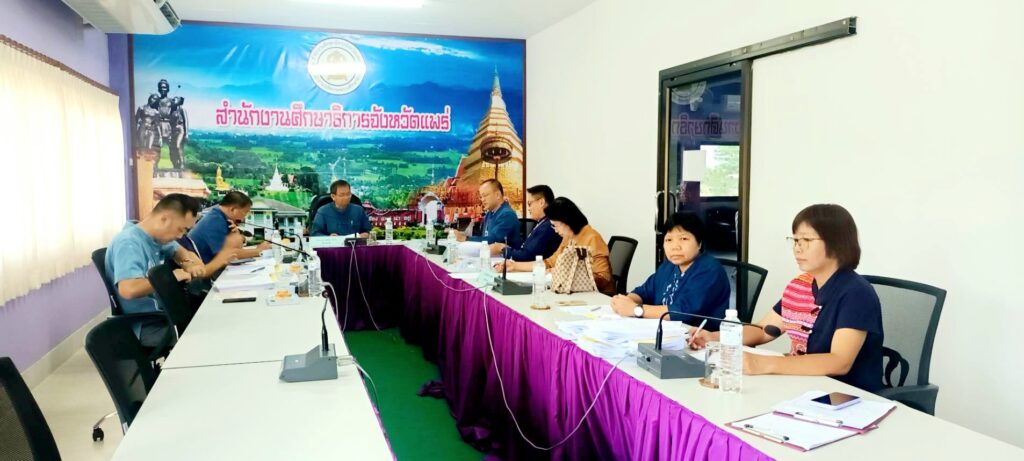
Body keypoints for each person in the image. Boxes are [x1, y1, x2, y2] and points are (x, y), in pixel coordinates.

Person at [690, 204, 884, 392]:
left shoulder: (856, 293)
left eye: (806, 240)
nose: (797, 248)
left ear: (836, 243)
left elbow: (839, 362)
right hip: (804, 386)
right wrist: (713, 337)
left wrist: (761, 363)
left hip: (848, 396)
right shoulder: (801, 285)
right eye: (795, 240)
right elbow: (763, 330)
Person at [105, 193, 207, 346]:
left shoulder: (155, 237)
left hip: (165, 314)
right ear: (164, 219)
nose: (180, 236)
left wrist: (188, 263)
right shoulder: (129, 243)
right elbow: (128, 290)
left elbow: (179, 251)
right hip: (145, 325)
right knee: (207, 336)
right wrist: (171, 277)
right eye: (180, 229)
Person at [610, 212, 730, 330]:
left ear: (699, 244)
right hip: (664, 332)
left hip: (697, 338)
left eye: (683, 238)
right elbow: (643, 292)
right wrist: (624, 302)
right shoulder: (668, 266)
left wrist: (636, 310)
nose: (675, 247)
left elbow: (682, 312)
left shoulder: (709, 270)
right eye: (668, 240)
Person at [496, 197, 614, 296]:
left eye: (556, 226)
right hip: (570, 292)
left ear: (567, 221)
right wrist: (515, 266)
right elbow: (550, 262)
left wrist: (565, 274)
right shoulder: (569, 236)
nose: (555, 231)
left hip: (596, 297)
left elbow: (603, 279)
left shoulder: (592, 238)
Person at [186, 191, 271, 272]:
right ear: (233, 209)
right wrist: (259, 251)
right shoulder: (216, 221)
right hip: (202, 273)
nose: (243, 218)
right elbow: (228, 255)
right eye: (244, 213)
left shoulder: (220, 217)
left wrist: (236, 233)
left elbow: (236, 249)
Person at [489, 184, 561, 261]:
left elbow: (527, 256)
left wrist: (502, 249)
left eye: (529, 204)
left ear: (541, 202)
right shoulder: (543, 223)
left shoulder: (547, 226)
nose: (528, 208)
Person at [454, 179, 522, 248]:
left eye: (485, 195)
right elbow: (483, 237)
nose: (482, 199)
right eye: (481, 197)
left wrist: (465, 238)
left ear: (497, 195)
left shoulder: (507, 215)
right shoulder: (489, 213)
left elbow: (493, 240)